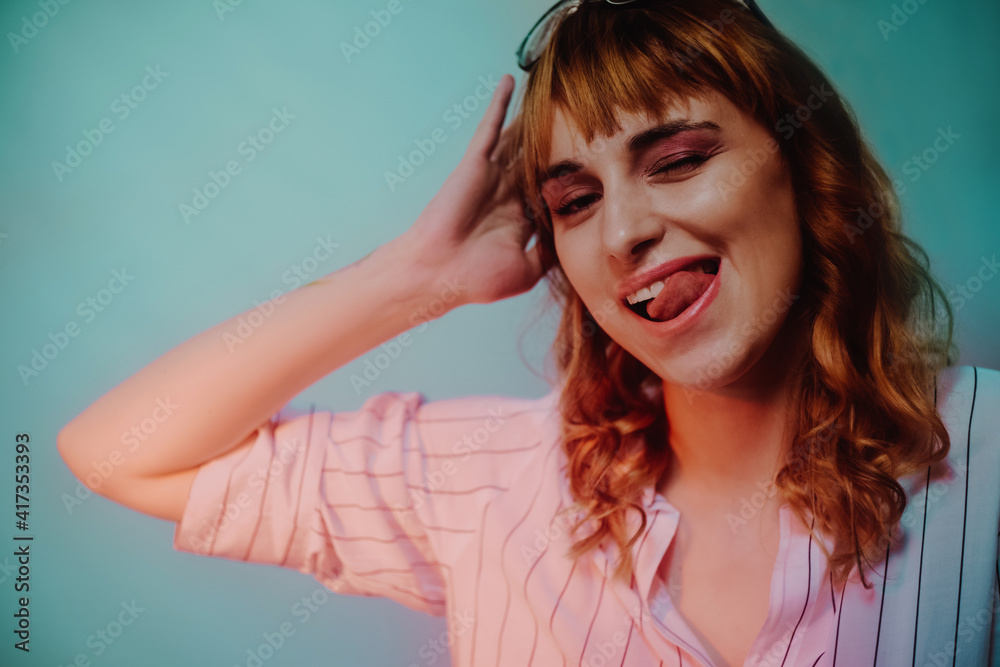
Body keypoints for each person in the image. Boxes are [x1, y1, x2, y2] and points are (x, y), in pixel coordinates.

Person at [57, 0, 999, 665]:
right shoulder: (488, 479)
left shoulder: (986, 452)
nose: (624, 230)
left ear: (802, 168)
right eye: (576, 201)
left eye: (676, 160)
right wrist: (414, 279)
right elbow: (114, 450)